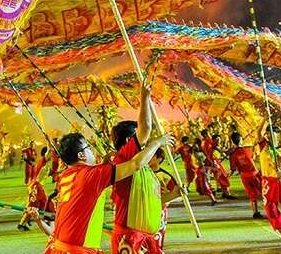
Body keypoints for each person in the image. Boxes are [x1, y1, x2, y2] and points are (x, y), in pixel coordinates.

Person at [29, 130, 174, 254]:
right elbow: (135, 164)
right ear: (81, 155)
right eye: (88, 148)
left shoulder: (66, 174)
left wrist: (104, 163)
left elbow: (85, 185)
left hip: (59, 247)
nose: (92, 150)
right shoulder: (91, 175)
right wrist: (156, 143)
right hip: (78, 250)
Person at [110, 83, 166, 254]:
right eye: (137, 134)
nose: (146, 139)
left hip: (145, 236)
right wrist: (145, 97)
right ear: (129, 141)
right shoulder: (124, 157)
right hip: (130, 236)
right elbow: (146, 128)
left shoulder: (143, 164)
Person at [149, 148, 182, 251]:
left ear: (159, 159)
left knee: (156, 239)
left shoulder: (165, 176)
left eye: (152, 155)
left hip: (159, 212)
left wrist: (170, 195)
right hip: (144, 210)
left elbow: (180, 196)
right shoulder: (142, 173)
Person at [228, 131, 262, 218]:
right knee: (264, 191)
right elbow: (254, 157)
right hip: (255, 174)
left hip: (245, 177)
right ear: (241, 140)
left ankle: (255, 212)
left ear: (232, 142)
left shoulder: (233, 154)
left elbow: (233, 169)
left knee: (252, 195)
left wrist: (229, 174)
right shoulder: (248, 149)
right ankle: (272, 210)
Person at [207, 133, 235, 199]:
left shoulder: (213, 147)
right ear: (214, 140)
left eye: (219, 139)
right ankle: (227, 194)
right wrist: (231, 150)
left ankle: (224, 193)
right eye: (217, 140)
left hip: (216, 163)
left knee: (221, 178)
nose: (219, 141)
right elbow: (223, 152)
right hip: (215, 164)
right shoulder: (213, 146)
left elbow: (223, 153)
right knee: (223, 177)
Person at [192, 140, 217, 205]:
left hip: (203, 168)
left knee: (204, 184)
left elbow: (206, 159)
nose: (194, 146)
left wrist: (209, 167)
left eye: (196, 144)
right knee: (199, 183)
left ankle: (213, 199)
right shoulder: (195, 152)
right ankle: (212, 192)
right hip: (200, 169)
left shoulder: (201, 152)